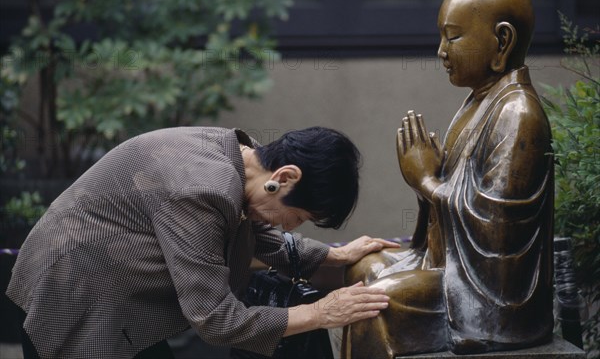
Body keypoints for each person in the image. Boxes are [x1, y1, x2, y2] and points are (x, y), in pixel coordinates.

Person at [7, 126, 399, 358]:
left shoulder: (232, 157)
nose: (292, 227)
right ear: (286, 176)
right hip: (73, 303)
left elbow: (254, 232)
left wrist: (333, 255)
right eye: (298, 217)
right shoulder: (200, 189)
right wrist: (321, 313)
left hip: (114, 302)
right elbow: (215, 319)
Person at [345, 0, 554, 357]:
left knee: (370, 303)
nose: (441, 51)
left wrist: (426, 179)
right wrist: (436, 176)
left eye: (453, 37)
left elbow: (497, 227)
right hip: (451, 265)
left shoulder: (518, 113)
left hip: (490, 297)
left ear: (501, 42)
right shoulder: (480, 101)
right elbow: (461, 195)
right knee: (362, 267)